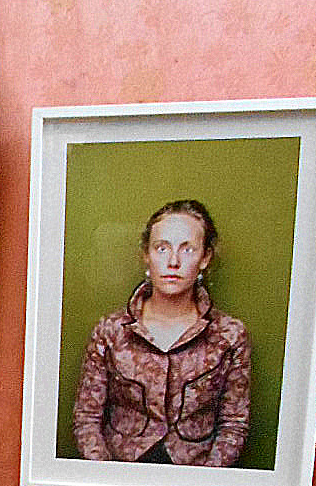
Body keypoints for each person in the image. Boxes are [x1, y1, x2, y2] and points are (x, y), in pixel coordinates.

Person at [72, 199, 250, 465]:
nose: (173, 262)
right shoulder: (111, 331)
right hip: (122, 470)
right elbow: (87, 418)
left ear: (205, 257)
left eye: (187, 249)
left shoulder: (229, 336)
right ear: (146, 254)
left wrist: (203, 482)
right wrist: (108, 478)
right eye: (162, 248)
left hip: (195, 473)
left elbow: (234, 424)